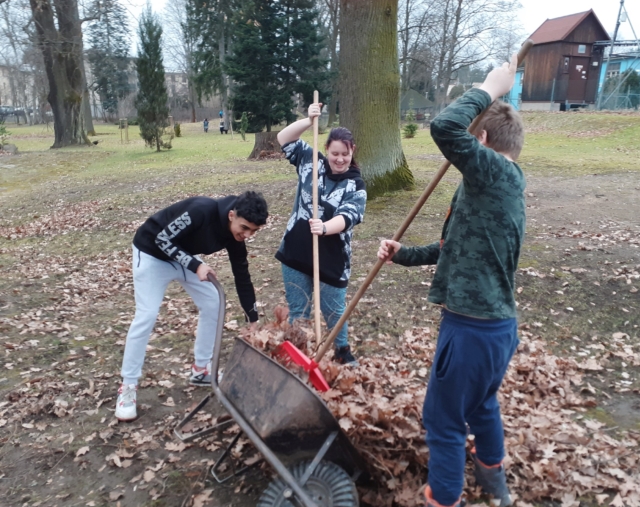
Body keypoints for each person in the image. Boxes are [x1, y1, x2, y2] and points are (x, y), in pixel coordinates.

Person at [377, 55, 523, 507]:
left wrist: (489, 89)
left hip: (471, 331)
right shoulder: (491, 188)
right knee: (481, 407)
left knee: (442, 420)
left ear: (480, 140)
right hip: (494, 329)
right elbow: (451, 250)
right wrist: (404, 256)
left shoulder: (494, 172)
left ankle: (445, 498)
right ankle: (494, 484)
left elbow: (444, 127)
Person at [115, 191, 269, 422]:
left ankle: (201, 370)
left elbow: (242, 275)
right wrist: (196, 264)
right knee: (146, 316)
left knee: (213, 303)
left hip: (183, 257)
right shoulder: (200, 210)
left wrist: (253, 319)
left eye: (253, 231)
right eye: (245, 228)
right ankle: (128, 386)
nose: (247, 235)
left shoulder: (235, 237)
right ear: (231, 215)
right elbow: (162, 239)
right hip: (151, 254)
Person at [275, 103, 366, 365]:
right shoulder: (310, 161)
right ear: (326, 149)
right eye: (334, 153)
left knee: (334, 310)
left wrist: (325, 228)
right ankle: (297, 353)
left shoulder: (355, 184)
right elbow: (283, 138)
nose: (339, 159)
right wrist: (308, 120)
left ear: (352, 152)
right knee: (298, 310)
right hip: (296, 250)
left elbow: (349, 216)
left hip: (332, 258)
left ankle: (341, 351)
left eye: (344, 155)